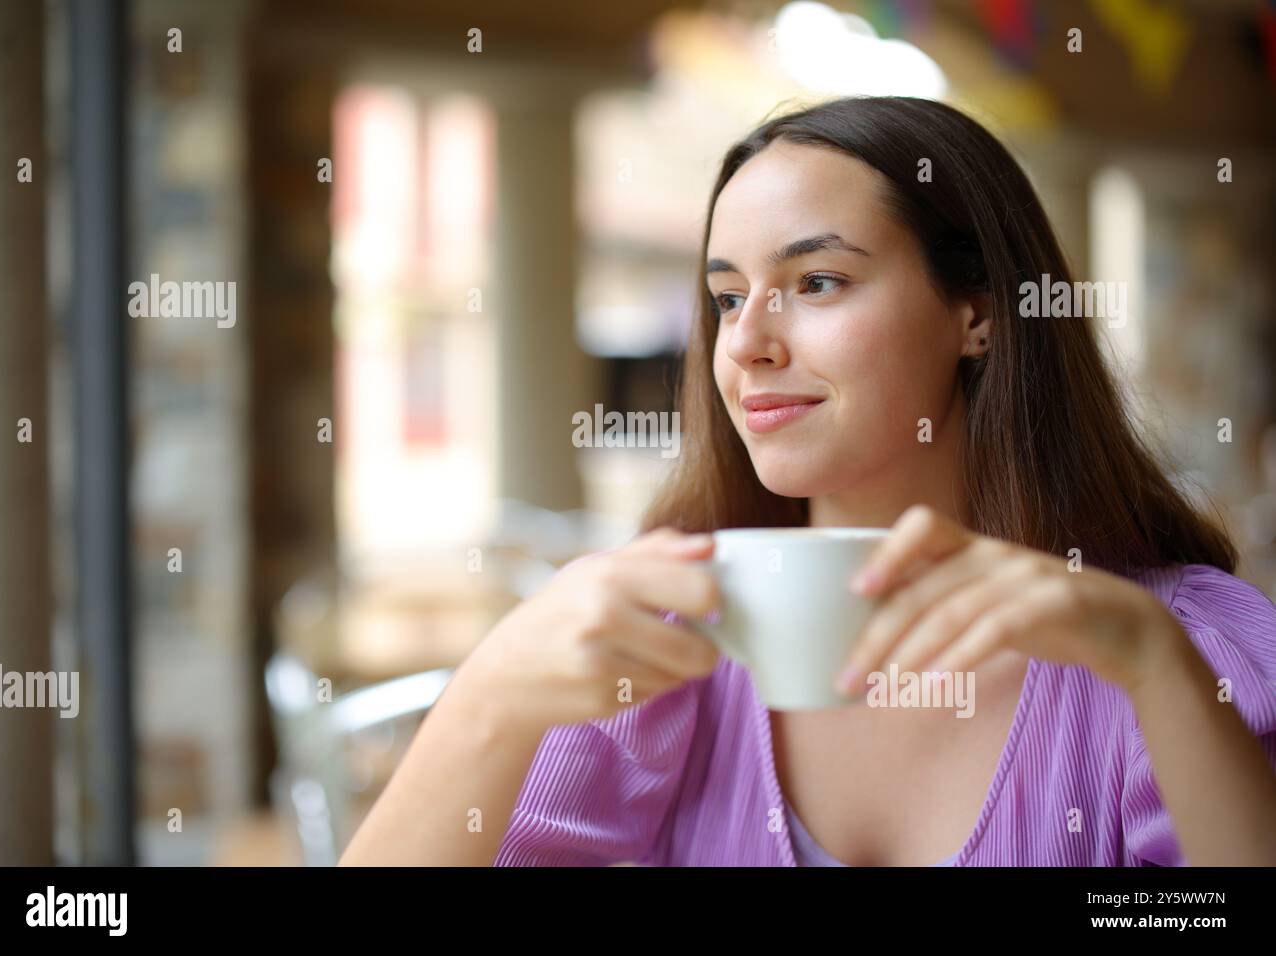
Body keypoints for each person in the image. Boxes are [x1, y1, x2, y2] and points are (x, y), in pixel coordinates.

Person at [339, 96, 1276, 867]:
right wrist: (489, 691)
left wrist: (1156, 668)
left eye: (818, 281)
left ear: (978, 315)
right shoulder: (661, 640)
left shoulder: (1189, 649)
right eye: (727, 297)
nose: (746, 343)